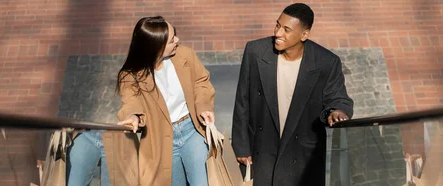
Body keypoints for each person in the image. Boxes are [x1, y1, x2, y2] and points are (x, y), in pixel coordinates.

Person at [231, 3, 354, 186]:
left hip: (302, 155)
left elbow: (338, 99)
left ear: (304, 34)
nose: (278, 33)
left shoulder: (326, 62)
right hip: (263, 149)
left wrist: (337, 111)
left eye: (287, 30)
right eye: (278, 25)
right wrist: (241, 146)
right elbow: (243, 101)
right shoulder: (255, 52)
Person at [114, 16, 215, 186]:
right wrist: (133, 117)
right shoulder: (130, 76)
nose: (178, 40)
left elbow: (200, 81)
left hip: (191, 130)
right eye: (171, 40)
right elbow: (131, 101)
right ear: (157, 48)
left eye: (175, 35)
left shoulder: (184, 55)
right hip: (160, 139)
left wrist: (203, 106)